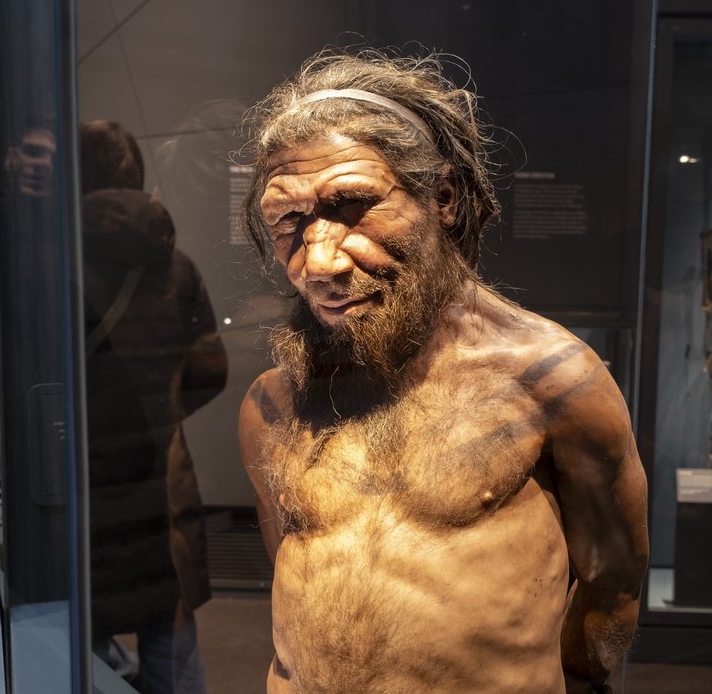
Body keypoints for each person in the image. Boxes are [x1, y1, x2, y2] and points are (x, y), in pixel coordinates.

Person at [236, 50, 649, 694]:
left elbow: (612, 583)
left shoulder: (550, 381)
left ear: (446, 198)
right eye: (289, 219)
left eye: (352, 206)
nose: (319, 262)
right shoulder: (275, 404)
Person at [81, 119, 228, 694]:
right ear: (136, 173)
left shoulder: (51, 264)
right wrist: (159, 410)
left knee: (80, 636)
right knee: (170, 629)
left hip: (81, 480)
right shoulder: (178, 265)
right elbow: (210, 370)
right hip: (163, 481)